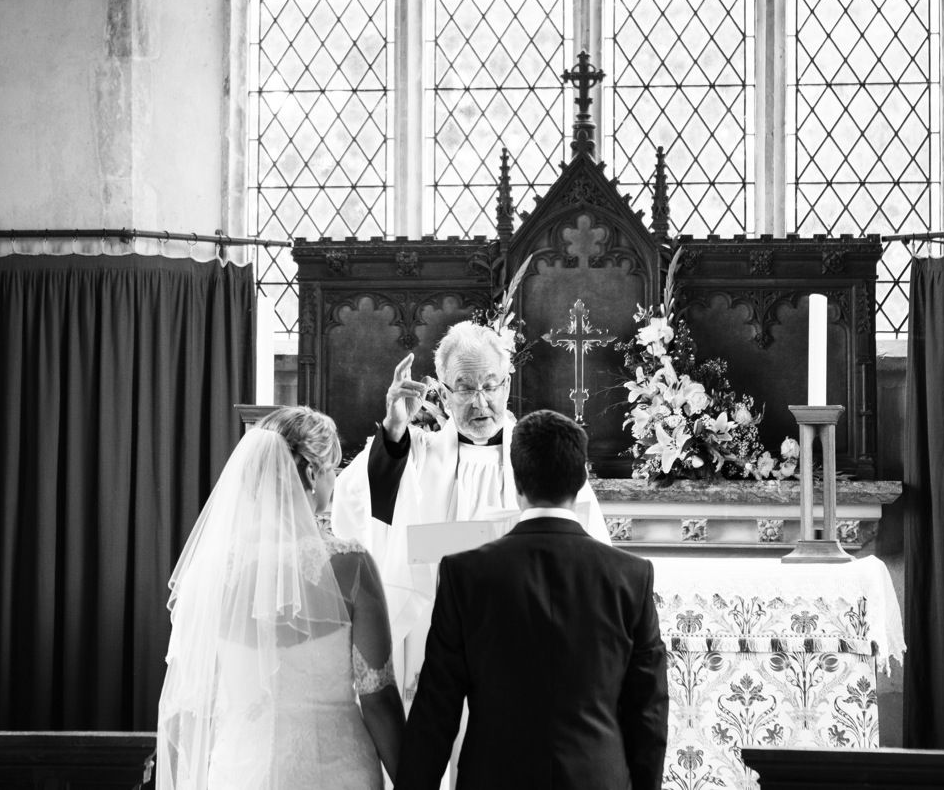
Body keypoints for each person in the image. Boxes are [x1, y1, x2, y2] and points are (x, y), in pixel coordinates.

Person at [331, 322, 612, 703]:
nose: (480, 401)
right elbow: (357, 500)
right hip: (438, 639)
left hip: (526, 640)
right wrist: (396, 425)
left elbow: (588, 552)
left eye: (490, 385)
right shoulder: (416, 455)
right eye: (464, 387)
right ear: (444, 394)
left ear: (508, 386)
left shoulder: (546, 459)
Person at [397, 410, 669, 790]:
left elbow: (435, 709)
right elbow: (648, 711)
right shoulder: (631, 576)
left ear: (516, 480)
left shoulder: (465, 574)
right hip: (595, 778)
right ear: (582, 478)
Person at [158, 406, 405, 790]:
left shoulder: (209, 571)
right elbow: (379, 700)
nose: (333, 481)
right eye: (332, 470)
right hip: (336, 770)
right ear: (310, 473)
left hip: (241, 769)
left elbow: (189, 705)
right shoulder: (350, 566)